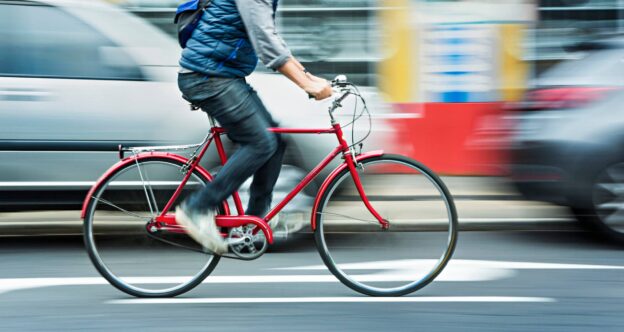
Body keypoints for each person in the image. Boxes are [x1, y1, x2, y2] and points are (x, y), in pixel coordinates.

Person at [175, 0, 332, 254]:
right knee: (261, 143)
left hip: (222, 75)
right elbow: (266, 42)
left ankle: (252, 224)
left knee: (275, 140)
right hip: (207, 77)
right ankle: (197, 208)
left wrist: (308, 76)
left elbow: (270, 37)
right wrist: (305, 84)